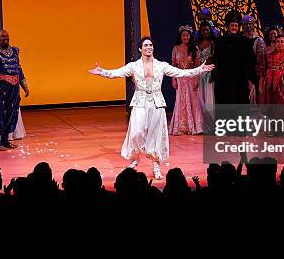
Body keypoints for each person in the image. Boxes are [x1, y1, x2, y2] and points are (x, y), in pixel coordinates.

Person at [89, 36, 214, 179]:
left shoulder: (161, 65)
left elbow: (181, 72)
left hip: (156, 102)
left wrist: (199, 69)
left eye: (151, 45)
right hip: (140, 101)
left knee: (156, 135)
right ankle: (135, 158)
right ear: (140, 49)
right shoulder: (133, 66)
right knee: (136, 132)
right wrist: (102, 72)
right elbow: (116, 73)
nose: (149, 47)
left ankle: (156, 166)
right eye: (146, 45)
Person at [0, 30, 29, 151]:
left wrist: (25, 86)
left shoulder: (14, 51)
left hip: (13, 89)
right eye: (3, 36)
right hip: (0, 88)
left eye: (7, 35)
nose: (6, 38)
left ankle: (5, 140)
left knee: (11, 113)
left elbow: (18, 69)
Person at [212, 11, 258, 104]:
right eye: (232, 25)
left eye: (236, 26)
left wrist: (251, 78)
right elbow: (216, 59)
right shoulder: (220, 41)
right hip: (224, 78)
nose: (234, 27)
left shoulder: (245, 41)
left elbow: (250, 61)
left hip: (240, 79)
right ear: (228, 26)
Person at [169, 25, 203, 135]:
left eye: (187, 35)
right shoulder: (175, 48)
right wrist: (173, 79)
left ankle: (194, 126)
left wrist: (196, 79)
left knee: (193, 102)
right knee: (180, 101)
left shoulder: (195, 49)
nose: (185, 37)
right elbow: (173, 65)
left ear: (190, 37)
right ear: (181, 36)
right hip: (179, 78)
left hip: (191, 78)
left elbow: (198, 67)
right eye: (183, 35)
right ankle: (181, 127)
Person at [242, 14, 266, 104]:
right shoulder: (239, 39)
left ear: (253, 25)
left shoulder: (259, 40)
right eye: (246, 24)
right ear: (243, 26)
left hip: (255, 71)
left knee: (256, 93)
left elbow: (262, 58)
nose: (248, 26)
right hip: (243, 70)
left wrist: (260, 72)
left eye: (250, 24)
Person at [197, 21, 216, 120]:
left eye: (207, 30)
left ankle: (210, 121)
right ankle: (201, 120)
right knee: (200, 97)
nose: (205, 32)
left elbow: (214, 58)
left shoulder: (213, 43)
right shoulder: (197, 43)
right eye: (203, 30)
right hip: (199, 72)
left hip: (209, 72)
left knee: (209, 97)